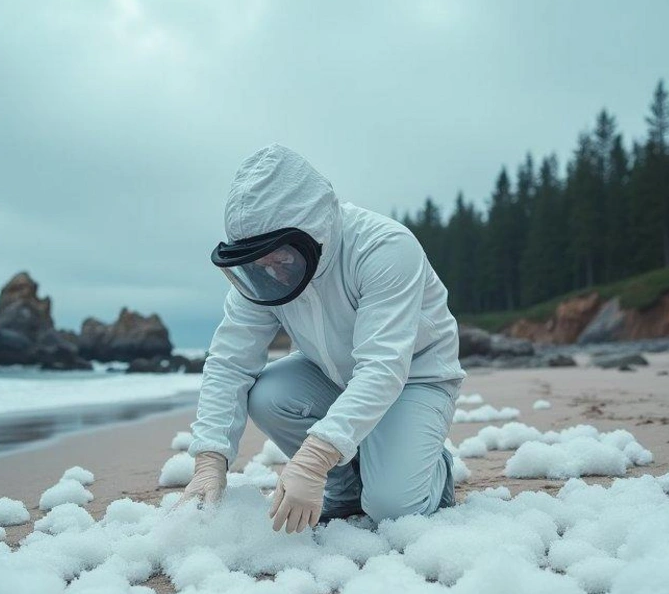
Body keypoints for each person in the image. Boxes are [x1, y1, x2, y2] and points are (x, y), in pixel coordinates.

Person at [181, 143, 464, 533]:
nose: (274, 274)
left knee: (394, 506)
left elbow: (383, 368)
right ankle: (346, 488)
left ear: (314, 233)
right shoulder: (264, 269)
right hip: (332, 375)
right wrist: (209, 460)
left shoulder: (384, 249)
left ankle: (432, 470)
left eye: (282, 260)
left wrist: (313, 459)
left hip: (415, 379)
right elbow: (230, 361)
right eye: (260, 266)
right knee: (267, 394)